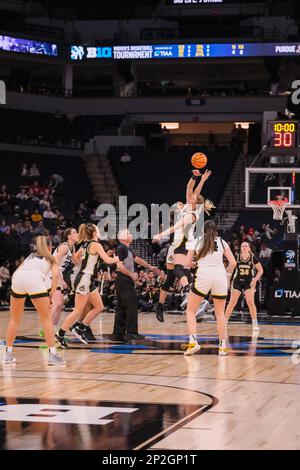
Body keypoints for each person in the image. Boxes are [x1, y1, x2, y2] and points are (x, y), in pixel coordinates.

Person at [2, 236, 65, 365]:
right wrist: (51, 295)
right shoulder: (52, 258)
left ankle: (7, 354)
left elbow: (17, 272)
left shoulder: (30, 256)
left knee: (14, 319)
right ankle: (53, 354)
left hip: (17, 279)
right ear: (49, 246)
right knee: (46, 318)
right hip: (34, 279)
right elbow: (56, 276)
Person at [55, 223, 118, 347]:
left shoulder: (85, 244)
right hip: (84, 279)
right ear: (94, 233)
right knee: (78, 310)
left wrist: (92, 261)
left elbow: (75, 260)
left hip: (87, 279)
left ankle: (80, 327)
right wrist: (116, 259)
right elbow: (108, 261)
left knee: (99, 307)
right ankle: (60, 334)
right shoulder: (96, 244)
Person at [184, 220, 236, 356]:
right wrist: (226, 272)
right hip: (220, 275)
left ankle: (193, 342)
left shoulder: (196, 240)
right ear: (215, 229)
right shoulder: (222, 242)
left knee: (190, 311)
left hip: (204, 274)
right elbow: (233, 262)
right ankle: (223, 347)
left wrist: (194, 264)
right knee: (220, 315)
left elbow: (187, 263)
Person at [112, 229, 158, 342]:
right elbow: (119, 266)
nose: (131, 234)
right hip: (123, 279)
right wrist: (131, 275)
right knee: (132, 304)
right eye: (128, 233)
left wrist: (150, 267)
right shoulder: (121, 248)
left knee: (121, 307)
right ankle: (132, 332)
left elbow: (137, 260)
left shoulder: (127, 249)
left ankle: (118, 333)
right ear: (123, 238)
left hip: (124, 280)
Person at [225, 241, 263, 333]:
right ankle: (224, 321)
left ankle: (255, 322)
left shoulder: (253, 257)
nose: (244, 247)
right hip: (237, 281)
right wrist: (228, 282)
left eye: (246, 246)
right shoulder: (237, 257)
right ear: (241, 248)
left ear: (249, 248)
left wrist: (255, 280)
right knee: (232, 302)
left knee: (250, 302)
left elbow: (261, 270)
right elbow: (230, 270)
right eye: (242, 246)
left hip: (248, 282)